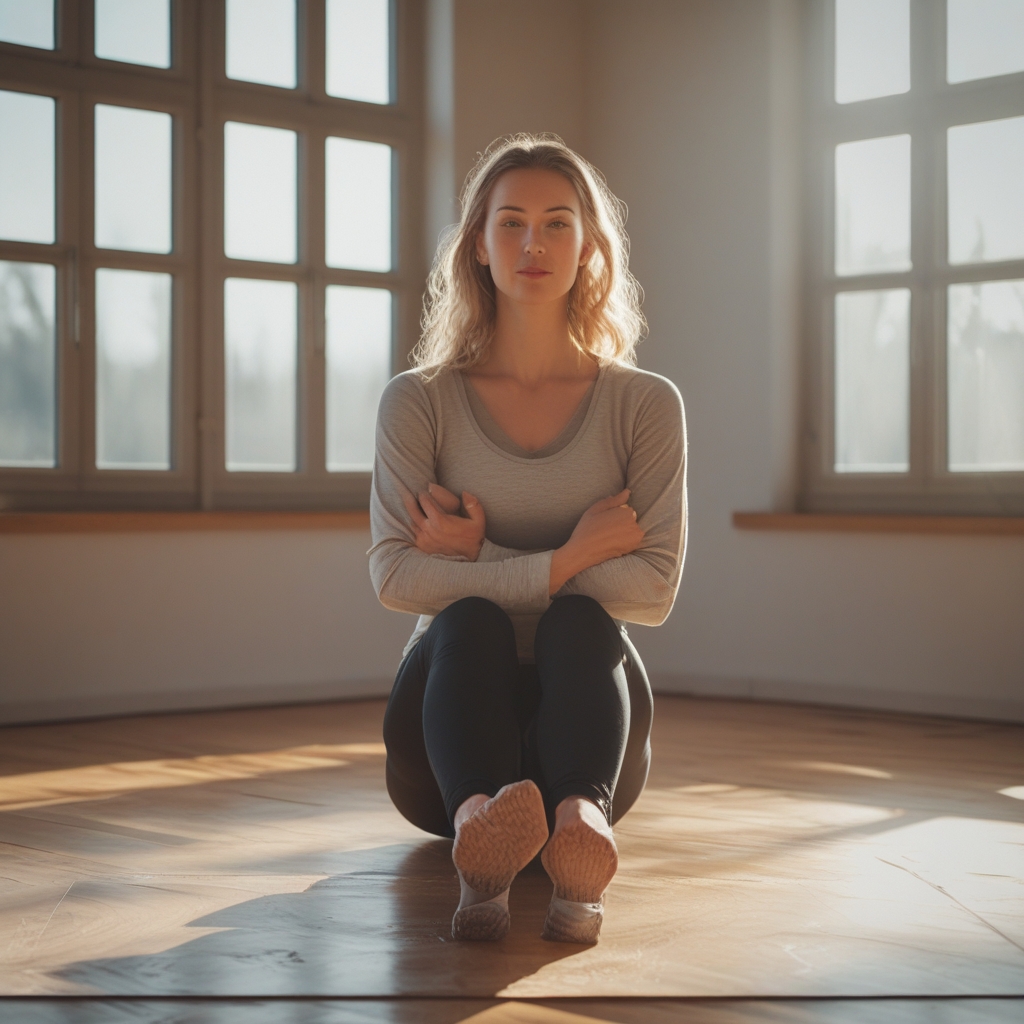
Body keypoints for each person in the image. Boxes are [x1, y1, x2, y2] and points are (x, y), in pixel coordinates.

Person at [368, 134, 686, 945]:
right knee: (467, 621)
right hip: (443, 737)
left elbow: (652, 594)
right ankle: (481, 826)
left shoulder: (645, 406)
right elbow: (395, 580)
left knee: (580, 625)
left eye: (556, 222)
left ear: (589, 248)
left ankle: (582, 824)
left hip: (594, 725)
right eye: (510, 222)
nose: (533, 243)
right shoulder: (419, 402)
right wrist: (575, 556)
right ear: (477, 245)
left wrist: (476, 560)